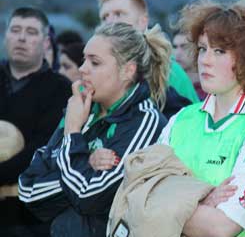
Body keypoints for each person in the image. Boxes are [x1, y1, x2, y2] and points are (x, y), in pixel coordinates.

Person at [18, 23, 169, 237]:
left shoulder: (144, 121)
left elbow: (87, 197)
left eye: (95, 62)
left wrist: (72, 132)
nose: (82, 69)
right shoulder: (81, 109)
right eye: (84, 59)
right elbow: (28, 189)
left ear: (128, 70)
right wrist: (87, 161)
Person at [157, 0, 245, 237]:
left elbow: (221, 227)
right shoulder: (182, 119)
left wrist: (166, 201)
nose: (205, 60)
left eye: (219, 51)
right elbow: (138, 190)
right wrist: (204, 198)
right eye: (203, 48)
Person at [0, 7, 72, 237]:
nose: (21, 37)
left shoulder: (59, 89)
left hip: (28, 216)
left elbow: (43, 147)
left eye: (31, 31)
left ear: (46, 42)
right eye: (15, 30)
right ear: (5, 36)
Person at [98, 0, 199, 110]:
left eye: (119, 14)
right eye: (104, 17)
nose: (110, 22)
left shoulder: (168, 70)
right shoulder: (94, 68)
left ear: (142, 22)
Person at [172, 31, 206, 99]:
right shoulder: (170, 86)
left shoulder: (211, 87)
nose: (177, 53)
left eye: (184, 47)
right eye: (175, 47)